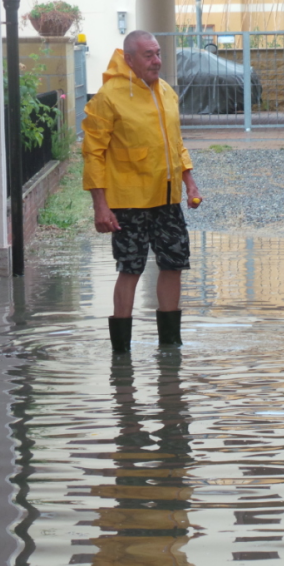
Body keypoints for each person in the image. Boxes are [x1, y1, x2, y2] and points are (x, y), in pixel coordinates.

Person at [83, 30, 202, 354]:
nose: (157, 60)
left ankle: (170, 343)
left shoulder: (166, 92)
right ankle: (121, 350)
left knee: (174, 263)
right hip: (128, 203)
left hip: (166, 199)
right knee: (130, 268)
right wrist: (101, 206)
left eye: (158, 53)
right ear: (129, 59)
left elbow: (175, 144)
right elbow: (93, 153)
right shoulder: (108, 97)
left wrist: (188, 181)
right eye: (148, 55)